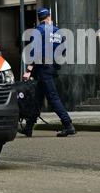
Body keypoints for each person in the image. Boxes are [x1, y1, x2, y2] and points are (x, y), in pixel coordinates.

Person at [19, 7, 76, 137]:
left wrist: (28, 70)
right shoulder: (58, 31)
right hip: (51, 67)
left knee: (53, 97)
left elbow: (34, 52)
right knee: (37, 99)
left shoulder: (38, 31)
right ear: (49, 17)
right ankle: (28, 127)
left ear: (39, 18)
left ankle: (68, 125)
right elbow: (63, 51)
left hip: (42, 68)